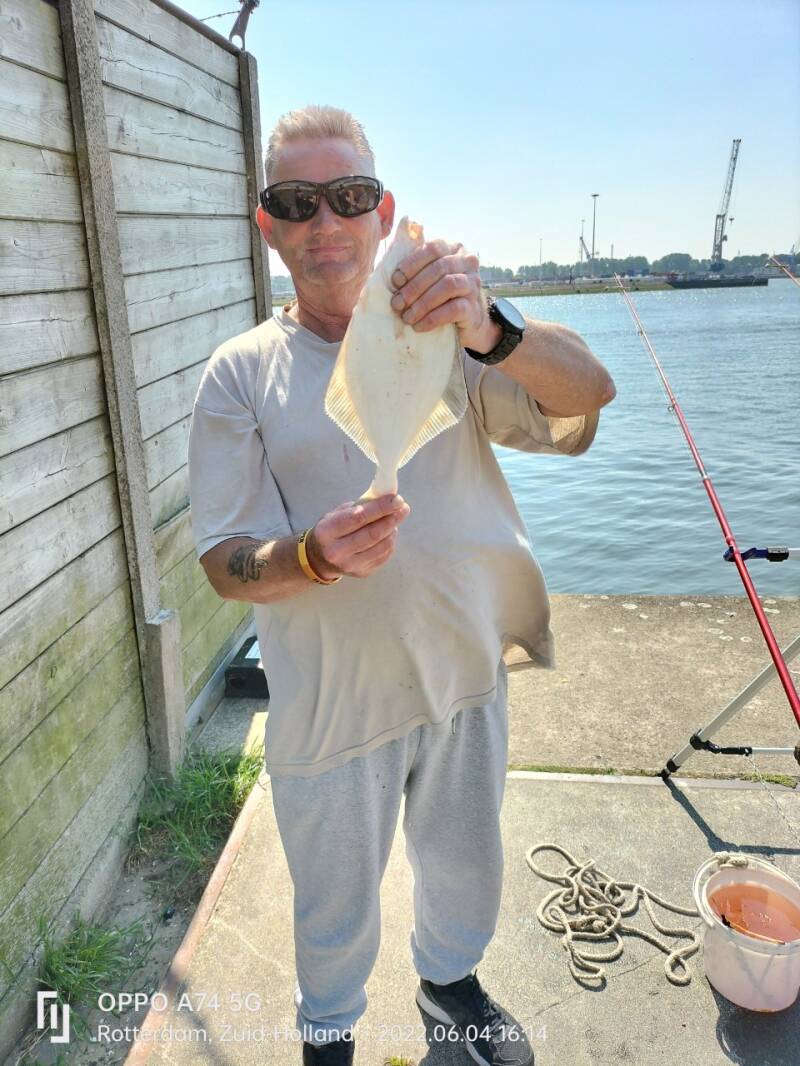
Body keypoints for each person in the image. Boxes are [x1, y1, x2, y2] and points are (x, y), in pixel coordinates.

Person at [187, 104, 616, 1066]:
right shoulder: (239, 374)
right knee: (331, 902)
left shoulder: (454, 337)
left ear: (385, 214)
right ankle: (328, 1031)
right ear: (267, 225)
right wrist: (311, 557)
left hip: (464, 674)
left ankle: (450, 985)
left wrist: (492, 326)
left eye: (349, 196)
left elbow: (589, 393)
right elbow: (222, 560)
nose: (325, 221)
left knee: (466, 863)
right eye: (296, 202)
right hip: (333, 701)